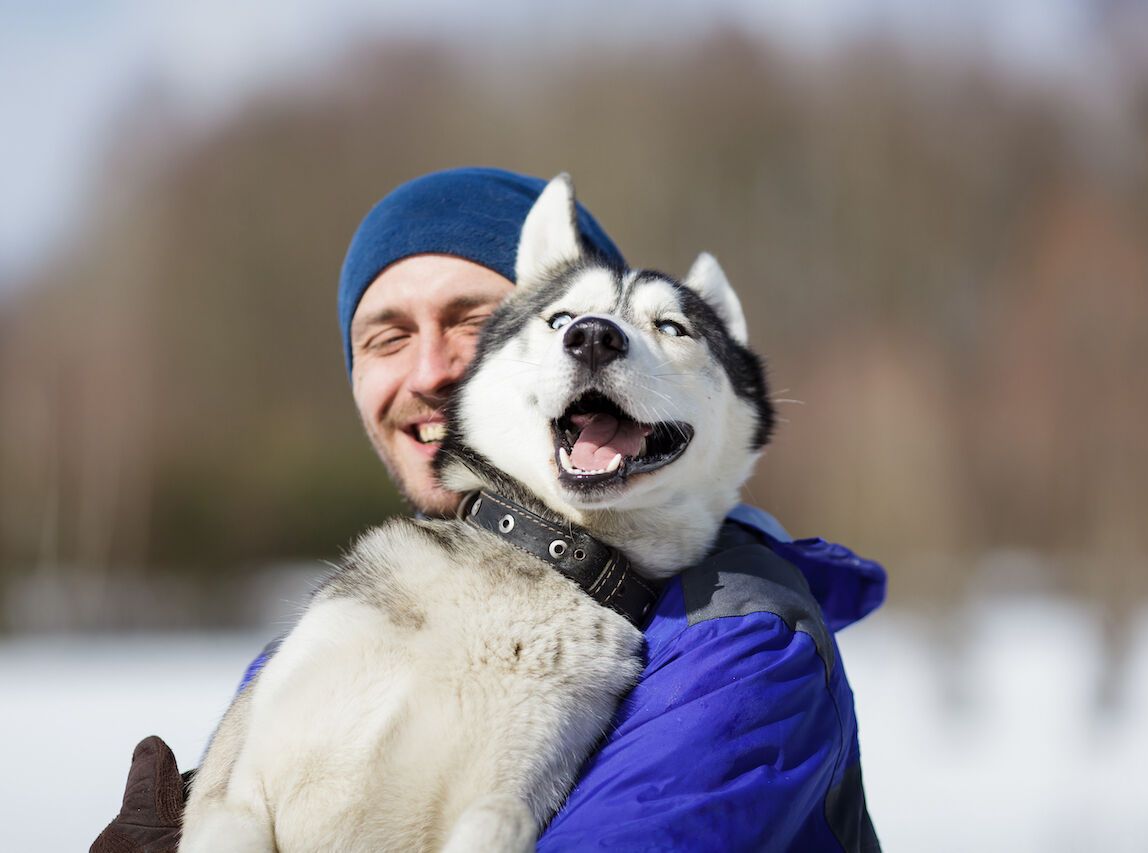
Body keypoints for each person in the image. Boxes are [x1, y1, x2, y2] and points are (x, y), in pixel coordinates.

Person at [93, 167, 886, 853]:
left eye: (472, 319)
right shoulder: (342, 616)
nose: (434, 370)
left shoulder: (739, 643)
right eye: (386, 335)